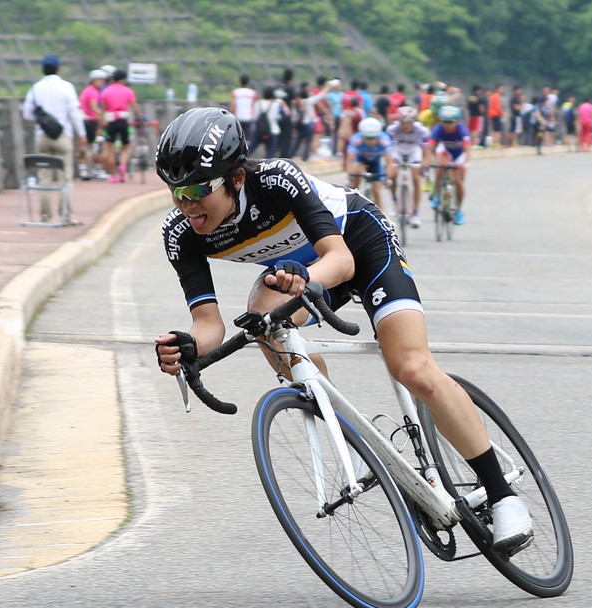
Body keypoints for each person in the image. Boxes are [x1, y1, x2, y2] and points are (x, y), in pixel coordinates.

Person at [152, 108, 534, 554]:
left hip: (357, 245)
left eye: (199, 189)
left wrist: (307, 280)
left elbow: (341, 260)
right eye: (176, 192)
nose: (188, 203)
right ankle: (345, 428)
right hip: (299, 273)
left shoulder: (276, 180)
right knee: (261, 317)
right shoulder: (181, 233)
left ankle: (503, 496)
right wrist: (186, 347)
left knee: (410, 367)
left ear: (236, 178)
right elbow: (209, 325)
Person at [22, 54, 87, 224]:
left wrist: (42, 120)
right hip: (63, 136)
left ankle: (45, 216)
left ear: (43, 69)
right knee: (65, 176)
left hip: (42, 136)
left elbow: (27, 113)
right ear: (58, 68)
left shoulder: (36, 88)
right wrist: (82, 135)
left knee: (44, 177)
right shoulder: (66, 87)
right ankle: (66, 216)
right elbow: (74, 113)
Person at [385, 106, 430, 228]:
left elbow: (426, 150)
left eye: (408, 123)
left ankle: (415, 213)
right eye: (402, 122)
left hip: (414, 150)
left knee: (416, 179)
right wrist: (388, 165)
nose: (405, 126)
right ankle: (395, 201)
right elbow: (387, 150)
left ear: (414, 121)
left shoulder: (421, 130)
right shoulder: (392, 129)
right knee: (392, 174)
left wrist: (425, 162)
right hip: (398, 149)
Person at [426, 105, 471, 225]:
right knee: (440, 166)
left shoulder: (462, 130)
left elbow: (467, 151)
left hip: (459, 154)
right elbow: (430, 147)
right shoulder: (438, 129)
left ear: (456, 121)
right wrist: (428, 160)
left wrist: (464, 164)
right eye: (445, 121)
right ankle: (436, 195)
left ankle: (459, 210)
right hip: (445, 151)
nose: (447, 125)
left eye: (451, 122)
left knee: (458, 181)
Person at [98, 67, 142, 183]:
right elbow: (135, 107)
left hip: (111, 122)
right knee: (125, 147)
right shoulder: (128, 91)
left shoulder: (105, 91)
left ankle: (112, 176)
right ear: (123, 80)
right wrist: (139, 118)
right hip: (123, 121)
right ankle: (122, 168)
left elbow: (102, 110)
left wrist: (101, 123)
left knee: (110, 148)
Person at [345, 116, 393, 210]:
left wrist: (387, 177)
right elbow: (350, 160)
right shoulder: (356, 140)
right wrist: (350, 178)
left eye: (373, 138)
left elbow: (389, 161)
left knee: (377, 190)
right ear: (362, 135)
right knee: (355, 176)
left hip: (376, 162)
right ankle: (353, 202)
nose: (370, 141)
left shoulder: (384, 140)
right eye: (367, 138)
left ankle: (380, 216)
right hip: (361, 159)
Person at [78, 68, 106, 179]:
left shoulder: (87, 90)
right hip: (91, 122)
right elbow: (94, 107)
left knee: (83, 147)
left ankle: (83, 170)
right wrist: (103, 118)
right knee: (96, 146)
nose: (102, 83)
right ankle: (96, 170)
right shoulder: (94, 91)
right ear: (94, 80)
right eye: (100, 80)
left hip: (84, 120)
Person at [248, 85, 289, 158]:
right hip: (273, 131)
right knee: (271, 154)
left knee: (249, 150)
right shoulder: (276, 104)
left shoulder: (258, 103)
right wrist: (283, 103)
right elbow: (287, 113)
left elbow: (253, 117)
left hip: (258, 130)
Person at [230, 74, 257, 139]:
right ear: (248, 82)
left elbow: (232, 106)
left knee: (237, 137)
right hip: (249, 118)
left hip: (238, 118)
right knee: (247, 138)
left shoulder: (235, 92)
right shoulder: (253, 93)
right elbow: (254, 106)